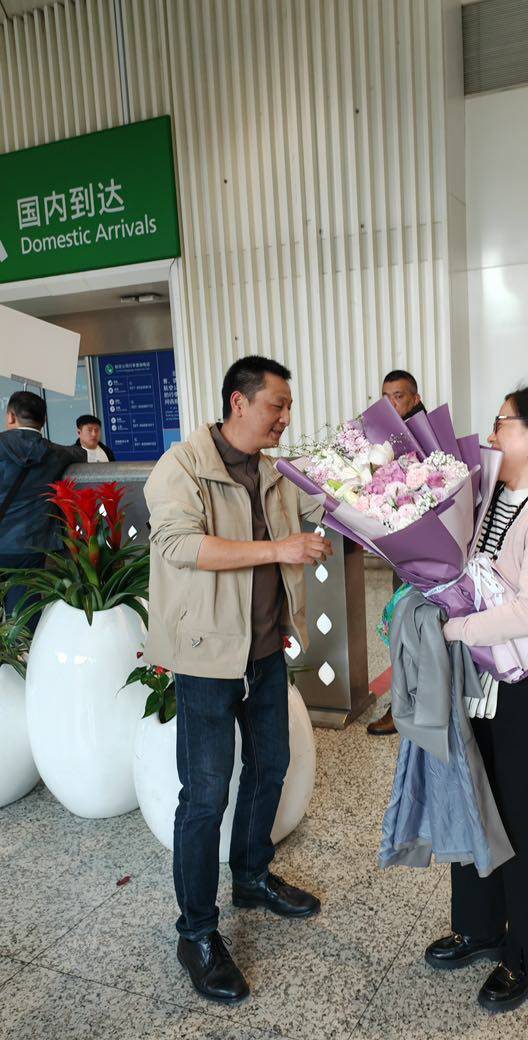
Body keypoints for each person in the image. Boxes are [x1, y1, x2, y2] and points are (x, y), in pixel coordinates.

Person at [144, 356, 333, 1005]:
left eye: (288, 406)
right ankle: (196, 933)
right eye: (277, 404)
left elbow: (331, 507)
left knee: (270, 767)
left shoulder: (275, 473)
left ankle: (251, 877)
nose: (285, 417)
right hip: (205, 657)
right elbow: (179, 545)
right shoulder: (183, 466)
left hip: (264, 652)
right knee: (203, 797)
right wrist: (279, 549)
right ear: (239, 402)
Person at [425, 385, 528, 1013]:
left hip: (524, 688)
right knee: (475, 802)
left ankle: (525, 953)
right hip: (478, 680)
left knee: (522, 821)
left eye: (502, 423)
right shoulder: (492, 496)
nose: (492, 433)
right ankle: (478, 927)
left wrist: (455, 629)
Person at [367, 368, 427, 736]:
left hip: (429, 553)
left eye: (399, 396)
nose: (391, 403)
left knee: (420, 631)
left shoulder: (429, 436)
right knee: (402, 629)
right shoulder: (382, 439)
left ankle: (413, 705)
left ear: (415, 398)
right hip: (400, 550)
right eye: (386, 397)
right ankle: (404, 704)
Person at [0, 391, 81, 624]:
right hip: (30, 543)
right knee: (24, 611)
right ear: (44, 421)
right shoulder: (56, 453)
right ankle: (23, 644)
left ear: (11, 416)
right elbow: (79, 453)